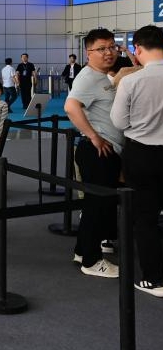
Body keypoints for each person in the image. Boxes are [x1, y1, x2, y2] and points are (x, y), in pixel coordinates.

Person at [64, 28, 123, 279]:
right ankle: (91, 261)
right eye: (101, 49)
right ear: (88, 52)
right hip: (97, 151)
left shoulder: (103, 76)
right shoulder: (88, 77)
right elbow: (70, 107)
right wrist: (93, 136)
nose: (109, 52)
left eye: (112, 47)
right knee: (97, 207)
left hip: (105, 150)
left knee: (95, 206)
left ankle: (82, 251)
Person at [110, 25, 163, 297]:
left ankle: (154, 279)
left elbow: (119, 121)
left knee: (146, 217)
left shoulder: (132, 81)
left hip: (141, 153)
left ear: (138, 49)